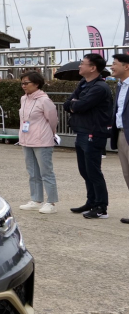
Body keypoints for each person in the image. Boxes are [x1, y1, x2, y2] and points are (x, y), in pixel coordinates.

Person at [64, 52, 114, 219]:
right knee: (84, 170)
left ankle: (101, 206)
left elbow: (81, 105)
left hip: (94, 132)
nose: (80, 66)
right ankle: (91, 201)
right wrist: (74, 104)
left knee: (93, 171)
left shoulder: (100, 87)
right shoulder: (84, 83)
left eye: (83, 63)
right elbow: (68, 103)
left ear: (93, 68)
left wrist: (75, 104)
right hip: (82, 131)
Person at [18, 71, 59, 214]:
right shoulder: (24, 99)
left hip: (42, 140)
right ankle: (36, 200)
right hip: (26, 139)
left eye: (26, 83)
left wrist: (51, 133)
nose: (23, 86)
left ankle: (51, 202)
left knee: (46, 172)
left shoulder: (44, 100)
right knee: (32, 172)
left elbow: (53, 120)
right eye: (22, 83)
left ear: (36, 84)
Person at [110, 53, 129, 224]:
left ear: (126, 66)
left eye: (114, 63)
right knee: (127, 174)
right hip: (121, 134)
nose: (111, 67)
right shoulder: (120, 86)